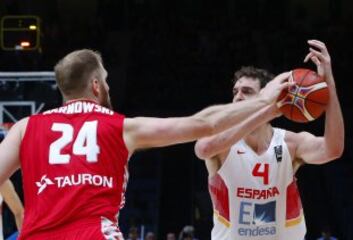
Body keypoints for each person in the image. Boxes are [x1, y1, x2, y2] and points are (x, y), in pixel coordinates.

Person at [0, 49, 291, 240]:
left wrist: (21, 211)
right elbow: (204, 124)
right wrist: (265, 101)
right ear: (96, 85)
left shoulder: (25, 128)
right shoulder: (122, 127)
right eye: (106, 80)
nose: (109, 86)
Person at [194, 40, 344, 240]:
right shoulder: (222, 143)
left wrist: (328, 87)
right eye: (235, 91)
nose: (237, 97)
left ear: (269, 96)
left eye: (246, 91)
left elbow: (332, 149)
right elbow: (203, 149)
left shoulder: (290, 144)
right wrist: (266, 112)